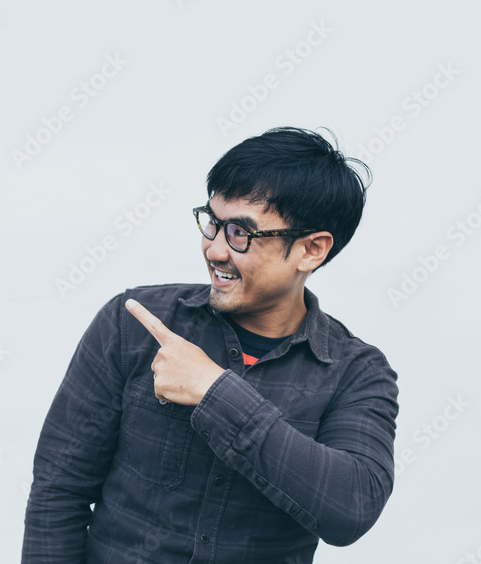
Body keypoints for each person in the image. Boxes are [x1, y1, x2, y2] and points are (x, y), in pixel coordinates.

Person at [21, 127, 399, 563]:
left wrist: (216, 392)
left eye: (240, 232)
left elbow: (350, 511)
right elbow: (58, 491)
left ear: (311, 250)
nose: (215, 250)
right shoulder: (134, 325)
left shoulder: (356, 372)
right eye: (212, 223)